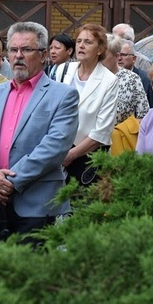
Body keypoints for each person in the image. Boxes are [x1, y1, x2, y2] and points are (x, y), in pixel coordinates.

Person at [0, 22, 79, 243]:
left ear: (43, 54)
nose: (18, 56)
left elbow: (55, 146)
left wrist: (11, 181)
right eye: (13, 49)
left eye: (26, 50)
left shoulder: (63, 96)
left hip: (35, 203)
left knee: (31, 273)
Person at [54, 24, 119, 185]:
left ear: (100, 50)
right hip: (57, 149)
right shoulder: (62, 70)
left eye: (88, 42)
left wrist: (71, 155)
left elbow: (102, 131)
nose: (81, 45)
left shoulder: (109, 81)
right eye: (79, 41)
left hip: (88, 158)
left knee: (80, 206)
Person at [102, 35, 149, 123]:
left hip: (120, 135)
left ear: (116, 56)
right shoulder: (90, 75)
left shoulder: (132, 79)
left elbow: (144, 115)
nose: (99, 59)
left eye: (103, 55)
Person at [118, 40, 153, 108]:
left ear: (134, 58)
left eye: (123, 55)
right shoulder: (108, 78)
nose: (119, 58)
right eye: (117, 55)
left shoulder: (146, 79)